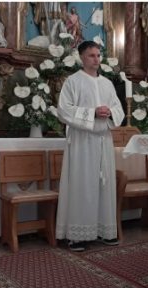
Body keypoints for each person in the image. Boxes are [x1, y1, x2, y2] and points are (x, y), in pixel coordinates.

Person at [56, 40, 124, 252]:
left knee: (104, 186)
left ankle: (105, 231)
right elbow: (63, 110)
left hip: (103, 139)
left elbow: (118, 108)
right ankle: (78, 236)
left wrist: (110, 112)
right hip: (82, 141)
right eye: (91, 55)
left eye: (98, 55)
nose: (96, 59)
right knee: (82, 185)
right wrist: (92, 112)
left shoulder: (107, 83)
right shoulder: (73, 81)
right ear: (82, 57)